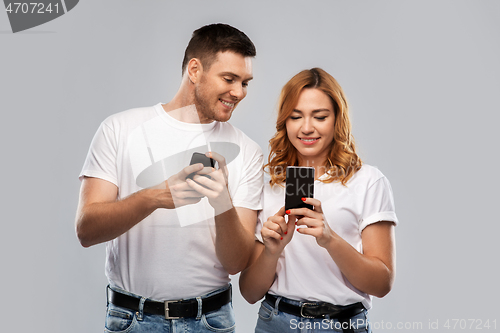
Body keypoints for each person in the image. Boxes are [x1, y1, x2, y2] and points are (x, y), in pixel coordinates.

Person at [75, 23, 263, 333]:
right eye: (229, 79)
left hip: (210, 321)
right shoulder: (120, 129)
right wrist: (154, 197)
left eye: (245, 82)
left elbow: (236, 263)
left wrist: (222, 203)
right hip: (131, 319)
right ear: (194, 70)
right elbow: (86, 230)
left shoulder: (248, 151)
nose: (239, 92)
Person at [239, 68, 398, 333]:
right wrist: (272, 250)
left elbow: (382, 284)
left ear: (337, 119)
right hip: (275, 322)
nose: (307, 127)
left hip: (341, 324)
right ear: (284, 122)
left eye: (320, 116)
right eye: (295, 116)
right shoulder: (270, 186)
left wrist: (330, 239)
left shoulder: (368, 181)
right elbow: (249, 292)